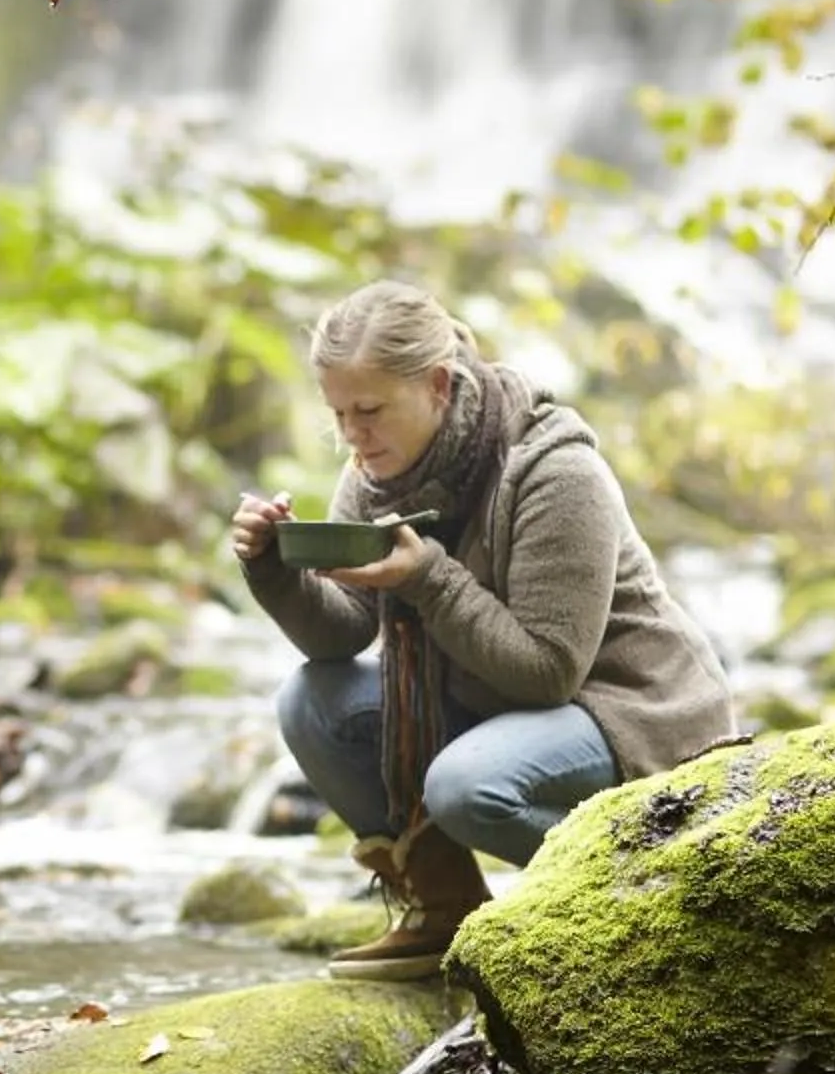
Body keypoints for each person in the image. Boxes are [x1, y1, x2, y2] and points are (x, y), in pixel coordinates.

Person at [231, 280, 735, 981]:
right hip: (494, 697)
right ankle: (445, 911)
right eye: (338, 412)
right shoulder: (376, 476)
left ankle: (646, 903)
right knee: (311, 700)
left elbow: (548, 670)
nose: (352, 434)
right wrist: (275, 571)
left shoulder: (555, 469)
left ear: (438, 385)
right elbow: (342, 638)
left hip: (627, 706)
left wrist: (426, 577)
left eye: (369, 410)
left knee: (468, 787)